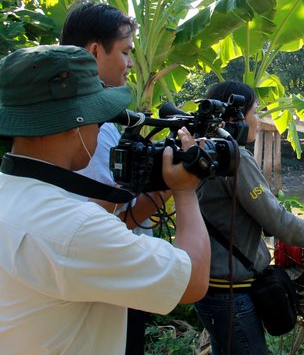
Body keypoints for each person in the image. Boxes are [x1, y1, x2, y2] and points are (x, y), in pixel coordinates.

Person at [0, 45, 210, 354]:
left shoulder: (14, 195)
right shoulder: (75, 228)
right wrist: (185, 191)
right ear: (75, 124)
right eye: (99, 120)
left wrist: (159, 185)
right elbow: (191, 281)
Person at [193, 81, 304, 355]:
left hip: (211, 287)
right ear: (234, 116)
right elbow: (278, 221)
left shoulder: (203, 152)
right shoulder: (233, 159)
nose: (259, 120)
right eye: (254, 112)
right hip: (231, 294)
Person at [59, 0, 164, 353]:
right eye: (125, 52)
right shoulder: (95, 130)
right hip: (103, 285)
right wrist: (171, 187)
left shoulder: (54, 122)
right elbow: (113, 219)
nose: (131, 63)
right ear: (93, 52)